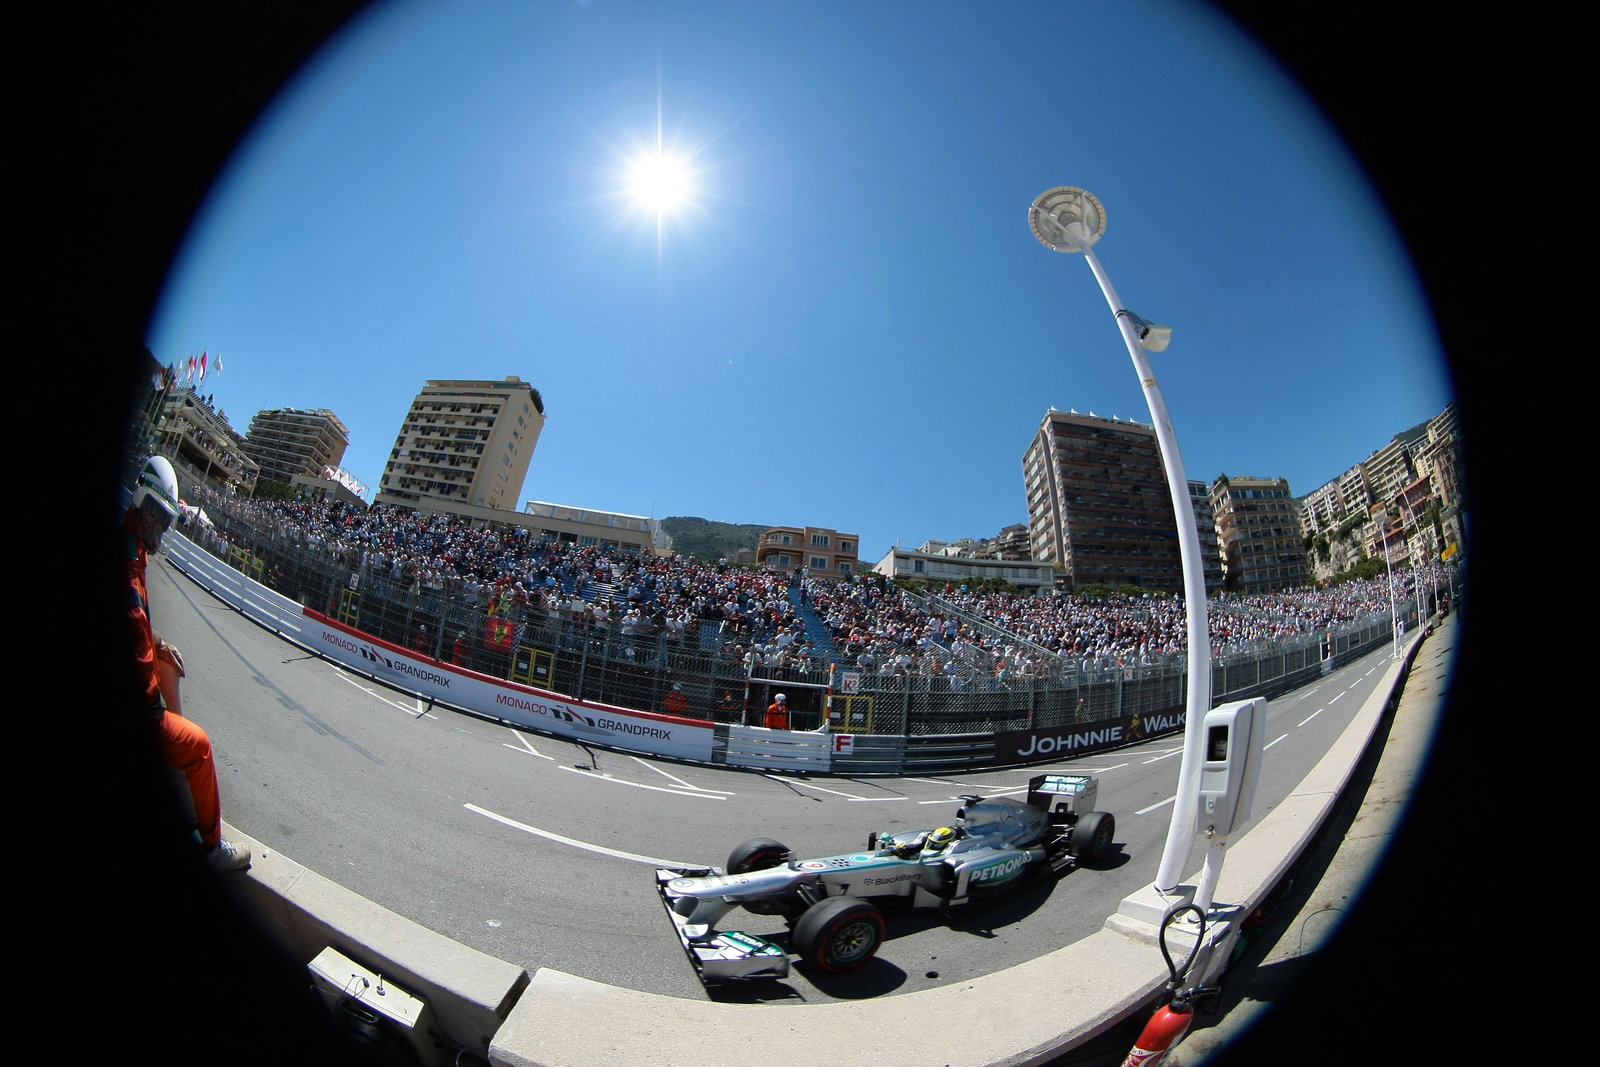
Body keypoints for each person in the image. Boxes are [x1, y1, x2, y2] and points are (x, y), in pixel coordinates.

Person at [125, 455, 251, 872]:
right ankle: (212, 848)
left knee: (169, 663)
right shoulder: (129, 565)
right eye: (154, 516)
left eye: (164, 519)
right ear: (142, 503)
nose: (159, 527)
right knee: (199, 746)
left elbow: (141, 628)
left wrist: (159, 644)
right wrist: (156, 711)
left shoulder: (130, 543)